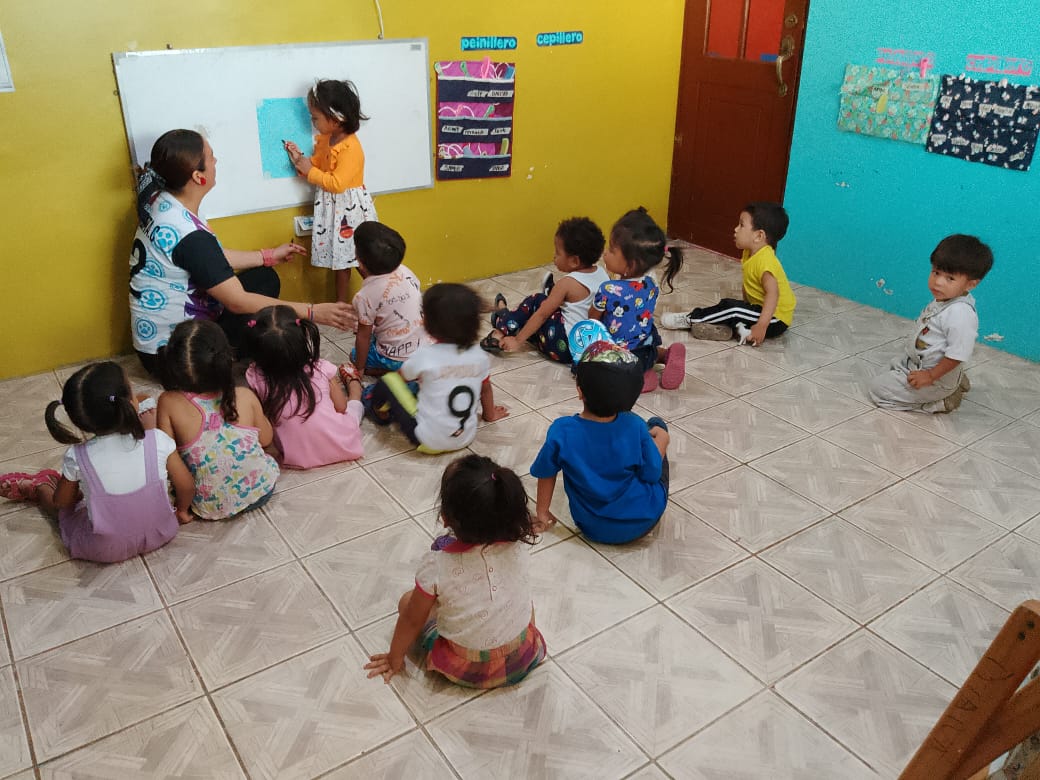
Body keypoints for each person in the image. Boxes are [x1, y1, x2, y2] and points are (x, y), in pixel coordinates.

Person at [131, 129, 355, 378]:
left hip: (158, 341)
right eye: (211, 157)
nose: (216, 161)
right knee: (265, 317)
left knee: (264, 279)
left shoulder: (164, 200)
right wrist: (313, 311)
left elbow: (210, 258)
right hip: (174, 356)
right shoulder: (189, 235)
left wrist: (267, 256)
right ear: (198, 176)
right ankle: (239, 370)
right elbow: (236, 301)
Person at [363, 454, 547, 688]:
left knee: (407, 602)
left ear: (445, 518)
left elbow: (411, 619)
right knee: (521, 598)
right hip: (524, 656)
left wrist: (394, 658)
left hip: (467, 670)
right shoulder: (518, 545)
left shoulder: (437, 565)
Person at [0, 362, 193, 563]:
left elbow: (63, 502)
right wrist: (181, 511)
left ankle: (41, 488)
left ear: (80, 420)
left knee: (65, 510)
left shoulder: (77, 456)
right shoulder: (158, 440)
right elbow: (186, 486)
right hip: (161, 533)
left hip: (105, 550)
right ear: (130, 404)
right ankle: (50, 487)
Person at [530, 341, 671, 544]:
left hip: (591, 527)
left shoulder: (561, 431)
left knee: (646, 434)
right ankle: (658, 429)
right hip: (643, 521)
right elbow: (651, 474)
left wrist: (542, 512)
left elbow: (546, 472)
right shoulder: (635, 425)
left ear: (580, 391)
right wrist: (663, 440)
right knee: (657, 425)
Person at [157, 320, 280, 519]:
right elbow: (266, 439)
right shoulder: (244, 395)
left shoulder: (168, 402)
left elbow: (166, 459)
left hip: (209, 505)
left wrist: (181, 507)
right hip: (261, 490)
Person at [368, 283, 509, 453]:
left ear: (428, 325)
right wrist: (490, 415)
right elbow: (485, 389)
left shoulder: (425, 356)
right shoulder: (480, 356)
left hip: (427, 441)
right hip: (466, 438)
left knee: (387, 382)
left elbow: (398, 380)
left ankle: (380, 414)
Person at [868, 234, 993, 413]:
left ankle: (944, 399)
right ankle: (955, 381)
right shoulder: (947, 298)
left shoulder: (960, 314)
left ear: (971, 284)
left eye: (950, 278)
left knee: (878, 390)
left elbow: (957, 354)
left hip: (934, 378)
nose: (938, 282)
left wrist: (930, 376)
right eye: (936, 273)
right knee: (884, 371)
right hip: (918, 364)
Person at [284, 79, 378, 304]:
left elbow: (337, 183)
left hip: (350, 210)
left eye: (315, 117)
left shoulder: (350, 147)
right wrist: (300, 160)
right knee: (340, 259)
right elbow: (318, 165)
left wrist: (310, 171)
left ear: (336, 119)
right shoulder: (327, 139)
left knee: (359, 259)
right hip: (333, 207)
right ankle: (340, 304)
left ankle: (382, 295)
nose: (312, 122)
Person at [244, 305, 365, 469]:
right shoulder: (320, 367)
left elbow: (263, 419)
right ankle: (354, 385)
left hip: (294, 457)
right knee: (354, 407)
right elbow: (341, 407)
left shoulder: (255, 377)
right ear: (302, 339)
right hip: (344, 445)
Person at [661, 201, 796, 345]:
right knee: (731, 307)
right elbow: (749, 284)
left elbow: (773, 294)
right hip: (760, 310)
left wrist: (762, 326)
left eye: (741, 225)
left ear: (758, 236)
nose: (736, 229)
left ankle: (690, 319)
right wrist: (746, 305)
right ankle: (733, 330)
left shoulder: (766, 261)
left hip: (775, 318)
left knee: (733, 309)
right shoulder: (750, 252)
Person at [481, 217, 609, 364]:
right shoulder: (603, 274)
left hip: (562, 346)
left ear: (575, 261)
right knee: (545, 313)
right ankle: (547, 296)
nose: (554, 256)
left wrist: (517, 341)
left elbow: (542, 314)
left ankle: (501, 325)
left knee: (537, 301)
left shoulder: (567, 283)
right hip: (584, 349)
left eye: (558, 253)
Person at [588, 208, 686, 392]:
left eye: (611, 250)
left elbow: (592, 320)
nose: (605, 253)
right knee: (641, 347)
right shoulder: (651, 284)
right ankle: (664, 355)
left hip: (621, 352)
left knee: (594, 367)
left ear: (630, 265)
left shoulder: (608, 289)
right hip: (647, 346)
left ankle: (641, 375)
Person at [349, 221, 427, 376]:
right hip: (423, 348)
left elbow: (363, 336)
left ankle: (392, 372)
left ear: (360, 263)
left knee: (354, 355)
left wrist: (359, 369)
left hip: (395, 358)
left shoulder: (364, 297)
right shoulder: (405, 270)